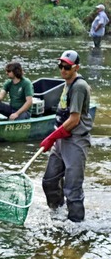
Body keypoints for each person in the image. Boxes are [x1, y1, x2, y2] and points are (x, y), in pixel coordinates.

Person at [40, 50, 93, 222]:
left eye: (67, 67)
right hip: (62, 139)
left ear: (76, 67)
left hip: (76, 140)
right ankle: (58, 214)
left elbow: (74, 119)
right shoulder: (67, 82)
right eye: (60, 66)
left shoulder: (78, 87)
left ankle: (76, 228)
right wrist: (56, 137)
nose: (63, 70)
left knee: (72, 189)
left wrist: (52, 137)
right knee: (49, 181)